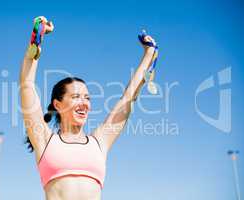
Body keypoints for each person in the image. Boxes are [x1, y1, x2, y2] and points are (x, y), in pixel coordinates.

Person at [19, 16, 157, 200]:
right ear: (57, 104)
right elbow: (26, 83)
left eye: (87, 98)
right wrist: (38, 35)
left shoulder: (99, 142)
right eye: (76, 97)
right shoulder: (44, 140)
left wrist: (149, 54)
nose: (84, 102)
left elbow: (128, 97)